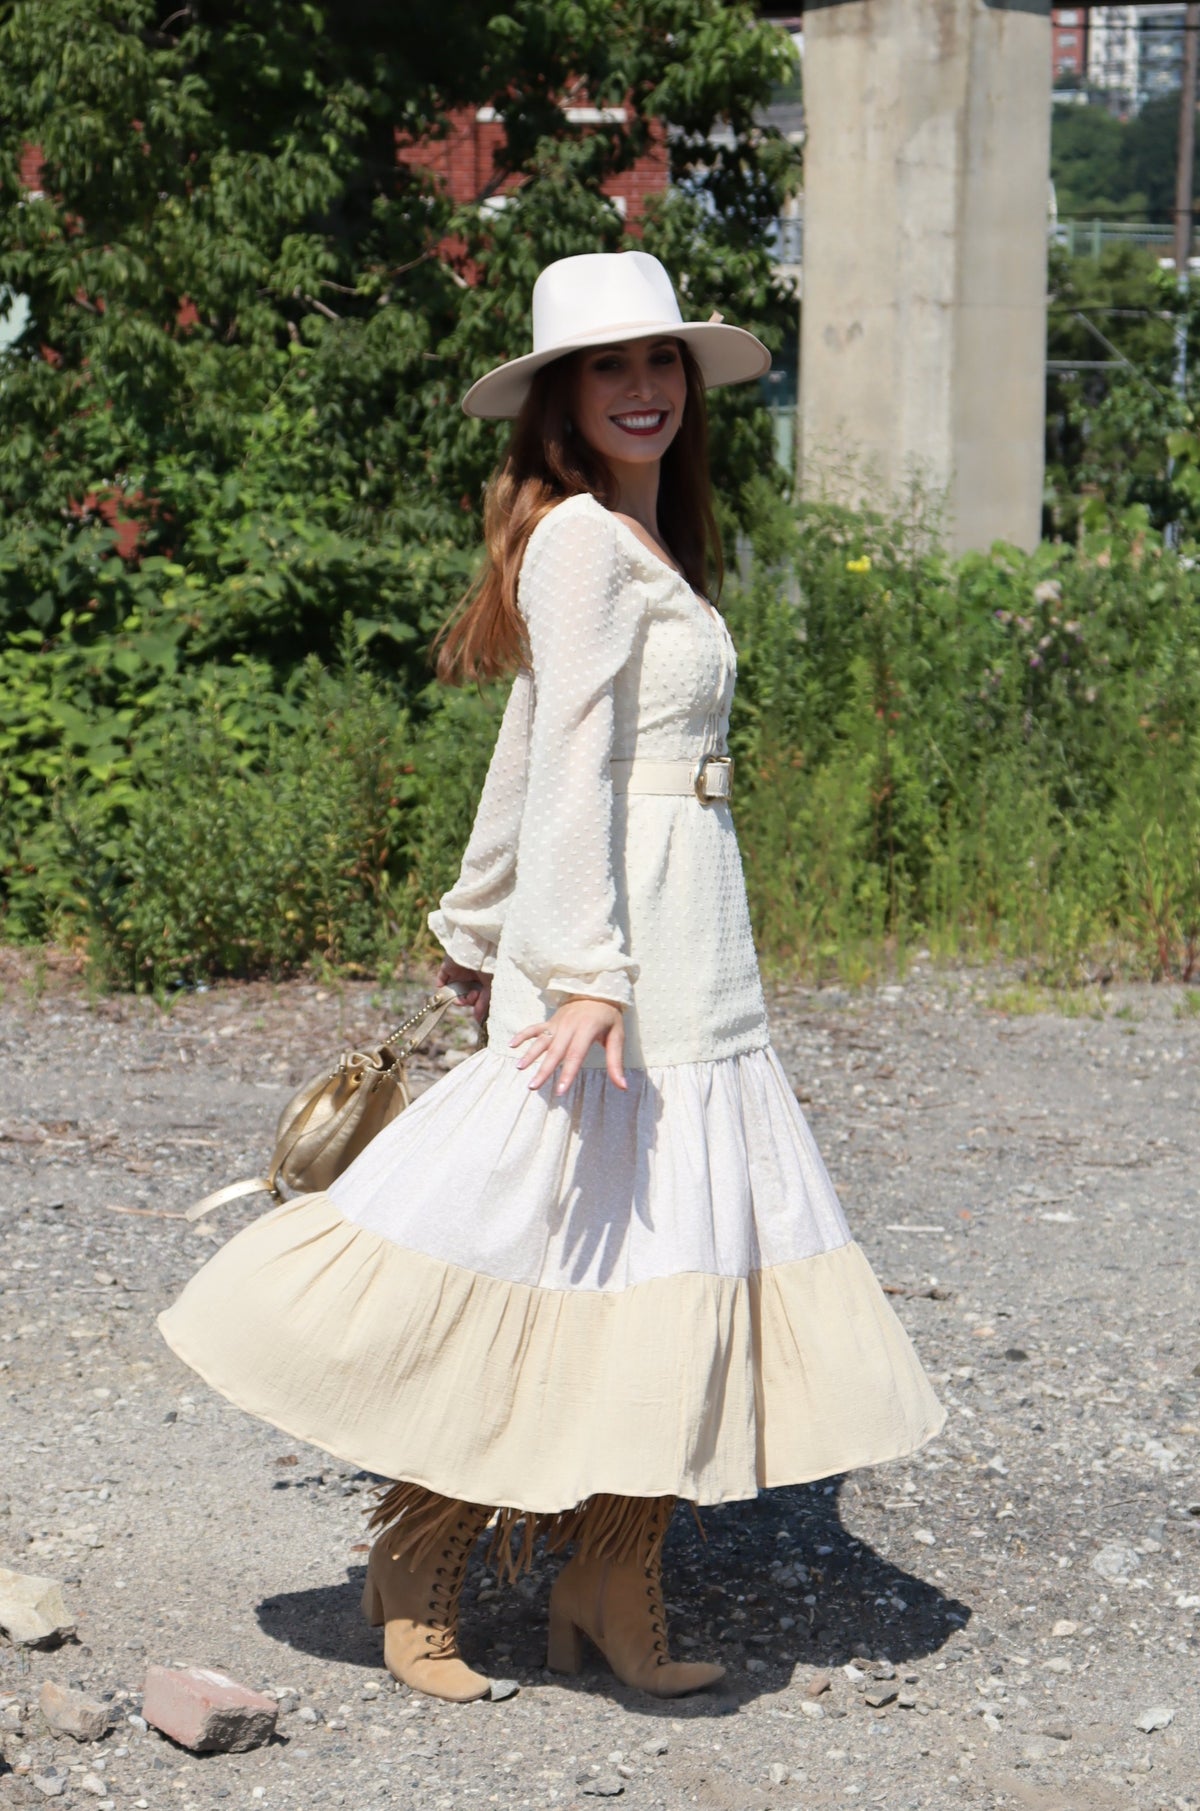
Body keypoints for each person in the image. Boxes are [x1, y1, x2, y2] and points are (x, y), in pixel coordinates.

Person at [158, 249, 945, 1707]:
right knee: (551, 1246)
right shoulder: (584, 541)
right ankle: (423, 1544)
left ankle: (605, 1573)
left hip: (688, 936)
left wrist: (477, 923)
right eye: (610, 368)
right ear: (563, 404)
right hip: (623, 946)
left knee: (668, 1243)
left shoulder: (640, 548)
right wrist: (566, 963)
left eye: (661, 366)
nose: (643, 390)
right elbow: (568, 749)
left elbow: (530, 738)